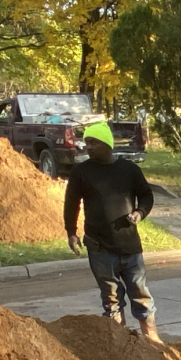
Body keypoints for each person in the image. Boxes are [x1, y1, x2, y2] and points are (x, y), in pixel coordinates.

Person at [64, 121, 159, 339]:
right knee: (111, 299)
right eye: (86, 143)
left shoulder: (129, 170)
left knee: (141, 294)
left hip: (129, 245)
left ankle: (151, 339)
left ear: (107, 143)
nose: (88, 147)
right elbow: (71, 203)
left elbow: (146, 195)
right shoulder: (81, 172)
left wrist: (140, 212)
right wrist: (71, 232)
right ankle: (120, 343)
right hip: (99, 248)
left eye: (93, 142)